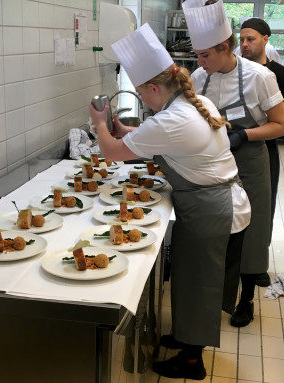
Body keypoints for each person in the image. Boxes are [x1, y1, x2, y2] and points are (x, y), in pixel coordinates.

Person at [89, 22, 251, 380]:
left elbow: (113, 153)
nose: (142, 99)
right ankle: (184, 337)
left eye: (141, 93)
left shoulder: (173, 118)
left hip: (212, 209)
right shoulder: (190, 104)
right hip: (217, 202)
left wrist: (101, 123)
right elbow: (158, 138)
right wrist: (127, 131)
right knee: (191, 281)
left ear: (152, 87)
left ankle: (192, 362)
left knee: (198, 286)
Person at [182, 0, 284, 328]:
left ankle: (247, 299)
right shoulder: (200, 77)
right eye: (197, 56)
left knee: (252, 234)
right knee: (217, 232)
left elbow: (281, 124)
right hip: (212, 163)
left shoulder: (260, 76)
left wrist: (246, 136)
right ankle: (214, 298)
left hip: (251, 162)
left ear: (225, 48)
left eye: (205, 55)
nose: (199, 63)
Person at [239, 17, 284, 287]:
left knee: (262, 208)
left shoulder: (278, 73)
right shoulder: (234, 73)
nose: (244, 44)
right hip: (232, 150)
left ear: (266, 39)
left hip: (264, 149)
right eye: (241, 39)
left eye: (251, 39)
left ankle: (255, 265)